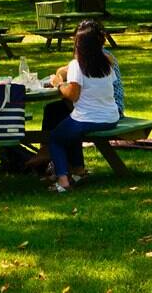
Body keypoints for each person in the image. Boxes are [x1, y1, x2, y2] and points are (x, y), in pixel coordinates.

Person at [45, 20, 122, 192]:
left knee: (56, 138)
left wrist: (58, 84)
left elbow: (72, 94)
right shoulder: (107, 62)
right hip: (111, 117)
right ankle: (78, 170)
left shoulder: (76, 65)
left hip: (88, 118)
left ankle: (63, 181)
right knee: (69, 130)